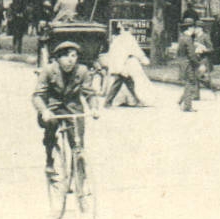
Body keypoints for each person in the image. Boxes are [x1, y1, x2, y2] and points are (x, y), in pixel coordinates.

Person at [31, 41, 99, 179]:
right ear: (58, 58)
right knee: (51, 126)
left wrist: (94, 108)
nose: (70, 60)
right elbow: (38, 95)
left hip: (73, 108)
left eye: (74, 56)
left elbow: (89, 93)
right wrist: (44, 110)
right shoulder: (49, 70)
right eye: (66, 57)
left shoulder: (82, 71)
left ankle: (79, 172)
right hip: (52, 108)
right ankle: (49, 160)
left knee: (77, 140)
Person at [102, 23, 148, 107]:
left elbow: (113, 52)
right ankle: (108, 102)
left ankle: (137, 100)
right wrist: (143, 58)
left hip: (119, 63)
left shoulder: (118, 38)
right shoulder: (129, 38)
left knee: (129, 82)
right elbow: (135, 50)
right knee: (119, 83)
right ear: (129, 29)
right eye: (131, 28)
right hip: (123, 64)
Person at [175, 12, 209, 112]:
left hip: (182, 63)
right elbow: (191, 54)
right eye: (193, 27)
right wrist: (198, 64)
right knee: (191, 82)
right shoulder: (188, 39)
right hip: (188, 64)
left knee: (188, 82)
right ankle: (187, 106)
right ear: (190, 28)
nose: (194, 29)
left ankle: (181, 100)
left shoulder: (182, 37)